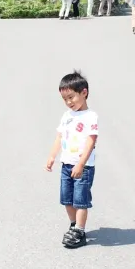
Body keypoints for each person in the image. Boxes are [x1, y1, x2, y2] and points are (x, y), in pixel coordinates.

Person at [46, 71, 98, 249]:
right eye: (65, 99)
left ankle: (80, 231)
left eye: (71, 97)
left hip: (83, 167)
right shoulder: (67, 116)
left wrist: (81, 164)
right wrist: (52, 156)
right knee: (66, 200)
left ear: (84, 93)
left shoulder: (90, 116)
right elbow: (59, 137)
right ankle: (73, 224)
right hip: (66, 165)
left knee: (80, 200)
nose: (68, 102)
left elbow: (91, 141)